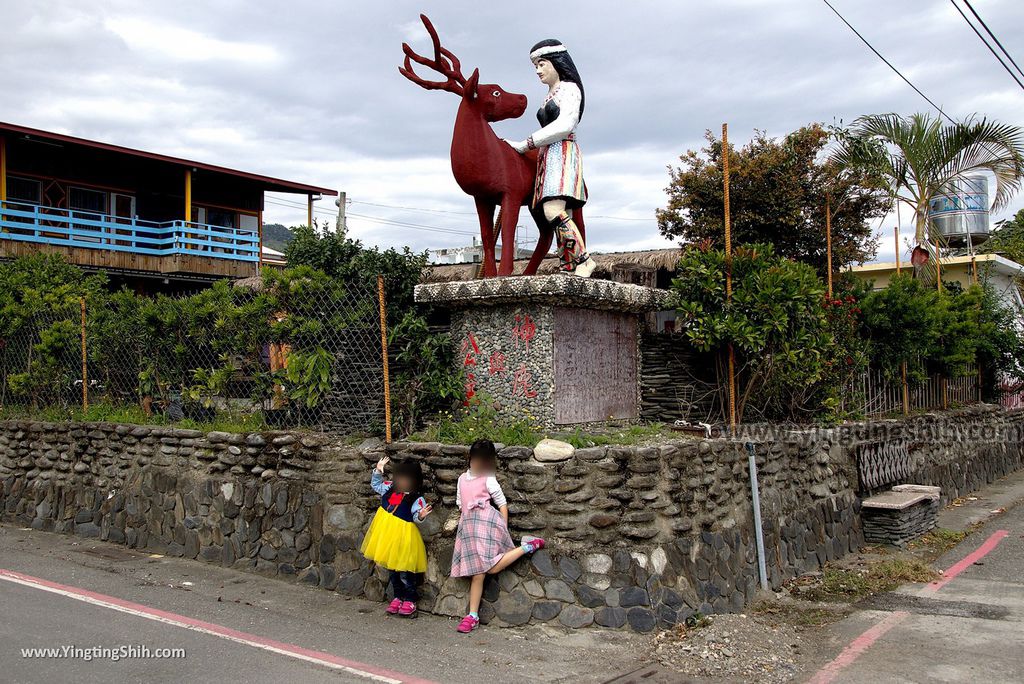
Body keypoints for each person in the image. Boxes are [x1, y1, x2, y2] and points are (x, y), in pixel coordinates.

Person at [506, 39, 597, 277]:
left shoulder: (569, 89)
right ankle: (568, 263)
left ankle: (584, 260)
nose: (538, 70)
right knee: (553, 211)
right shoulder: (550, 94)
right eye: (535, 65)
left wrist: (526, 144)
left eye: (542, 64)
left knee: (553, 209)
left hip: (563, 152)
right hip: (549, 156)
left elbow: (566, 124)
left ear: (557, 63)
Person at [450, 439, 545, 633]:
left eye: (483, 461)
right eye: (476, 460)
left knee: (486, 570)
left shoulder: (488, 479)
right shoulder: (461, 479)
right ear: (470, 458)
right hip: (469, 529)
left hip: (486, 526)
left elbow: (501, 503)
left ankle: (527, 547)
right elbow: (460, 502)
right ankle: (472, 616)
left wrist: (502, 526)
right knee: (479, 572)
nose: (479, 464)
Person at [360, 456, 433, 617]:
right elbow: (376, 485)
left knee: (405, 572)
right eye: (400, 478)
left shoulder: (416, 498)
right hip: (387, 536)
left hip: (404, 538)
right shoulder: (389, 488)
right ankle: (398, 596)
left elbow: (416, 518)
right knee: (392, 570)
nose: (402, 482)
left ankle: (410, 599)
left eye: (406, 479)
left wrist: (421, 515)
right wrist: (378, 470)